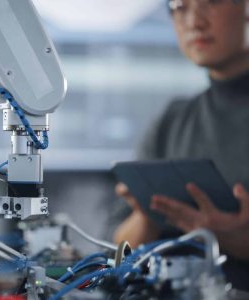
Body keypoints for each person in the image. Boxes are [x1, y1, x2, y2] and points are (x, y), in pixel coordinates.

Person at [113, 0, 249, 291]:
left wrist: (242, 243)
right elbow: (120, 252)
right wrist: (146, 213)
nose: (194, 21)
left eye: (212, 2)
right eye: (179, 6)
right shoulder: (172, 121)